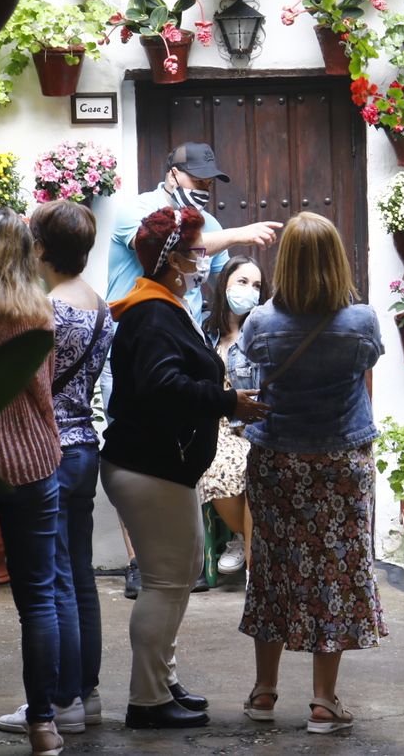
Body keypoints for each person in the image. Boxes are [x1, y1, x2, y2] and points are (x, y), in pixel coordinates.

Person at [99, 206, 271, 729]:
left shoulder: (164, 305)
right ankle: (147, 700)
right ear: (172, 260)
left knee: (177, 578)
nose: (205, 259)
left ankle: (163, 682)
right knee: (164, 582)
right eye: (198, 251)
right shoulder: (153, 313)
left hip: (162, 468)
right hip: (150, 467)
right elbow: (162, 386)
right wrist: (227, 402)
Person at [104, 141, 281, 599]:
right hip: (140, 343)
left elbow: (217, 282)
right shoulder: (138, 212)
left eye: (208, 181)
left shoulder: (211, 227)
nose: (203, 187)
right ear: (171, 173)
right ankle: (141, 562)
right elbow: (166, 244)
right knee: (138, 444)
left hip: (185, 342)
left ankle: (186, 559)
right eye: (195, 178)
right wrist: (238, 234)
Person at [237, 212, 386, 735]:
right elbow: (366, 367)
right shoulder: (362, 321)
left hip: (277, 461)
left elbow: (247, 366)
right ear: (336, 259)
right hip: (341, 462)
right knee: (336, 573)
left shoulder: (261, 323)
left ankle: (264, 691)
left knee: (273, 568)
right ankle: (323, 702)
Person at [0, 201, 113, 738]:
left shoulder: (47, 310)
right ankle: (86, 692)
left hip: (52, 450)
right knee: (81, 577)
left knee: (57, 579)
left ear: (40, 247)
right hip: (85, 442)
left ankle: (61, 699)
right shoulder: (100, 306)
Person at [0, 207, 65, 756]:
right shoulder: (38, 313)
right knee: (39, 601)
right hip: (33, 467)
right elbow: (42, 395)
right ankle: (43, 725)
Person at [199, 256, 267, 578]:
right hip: (215, 424)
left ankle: (252, 560)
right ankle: (245, 538)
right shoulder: (203, 330)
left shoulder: (262, 333)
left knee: (254, 469)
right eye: (242, 282)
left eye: (256, 286)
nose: (249, 290)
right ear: (224, 283)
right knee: (215, 465)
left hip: (251, 426)